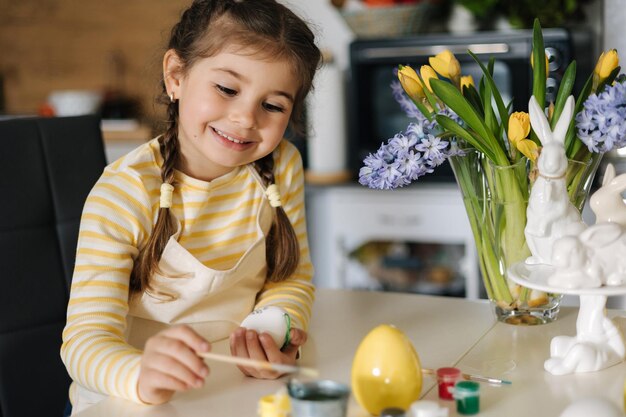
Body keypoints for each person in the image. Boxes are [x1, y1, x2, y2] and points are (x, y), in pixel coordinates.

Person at [60, 0, 321, 413]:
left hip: (234, 391)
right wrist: (140, 375)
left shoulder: (281, 165)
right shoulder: (124, 192)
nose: (244, 118)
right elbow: (84, 342)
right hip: (125, 401)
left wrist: (277, 333)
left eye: (272, 105)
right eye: (227, 89)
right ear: (176, 76)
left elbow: (291, 278)